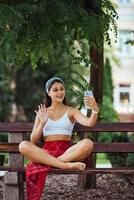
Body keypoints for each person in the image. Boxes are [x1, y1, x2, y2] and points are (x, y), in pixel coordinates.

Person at [19, 77, 99, 200]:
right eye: (55, 90)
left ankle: (54, 163)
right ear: (48, 93)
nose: (60, 92)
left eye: (62, 89)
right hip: (46, 153)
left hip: (67, 153)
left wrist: (94, 109)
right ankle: (65, 166)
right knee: (23, 145)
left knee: (88, 143)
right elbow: (33, 141)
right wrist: (42, 123)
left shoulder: (71, 111)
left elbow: (89, 123)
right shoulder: (42, 112)